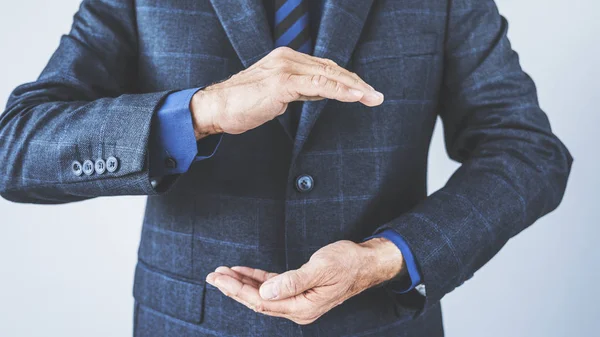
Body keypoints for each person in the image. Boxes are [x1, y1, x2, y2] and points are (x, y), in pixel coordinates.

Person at [0, 0, 572, 336]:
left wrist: (386, 256)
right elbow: (17, 146)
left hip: (382, 320)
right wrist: (206, 110)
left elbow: (527, 149)